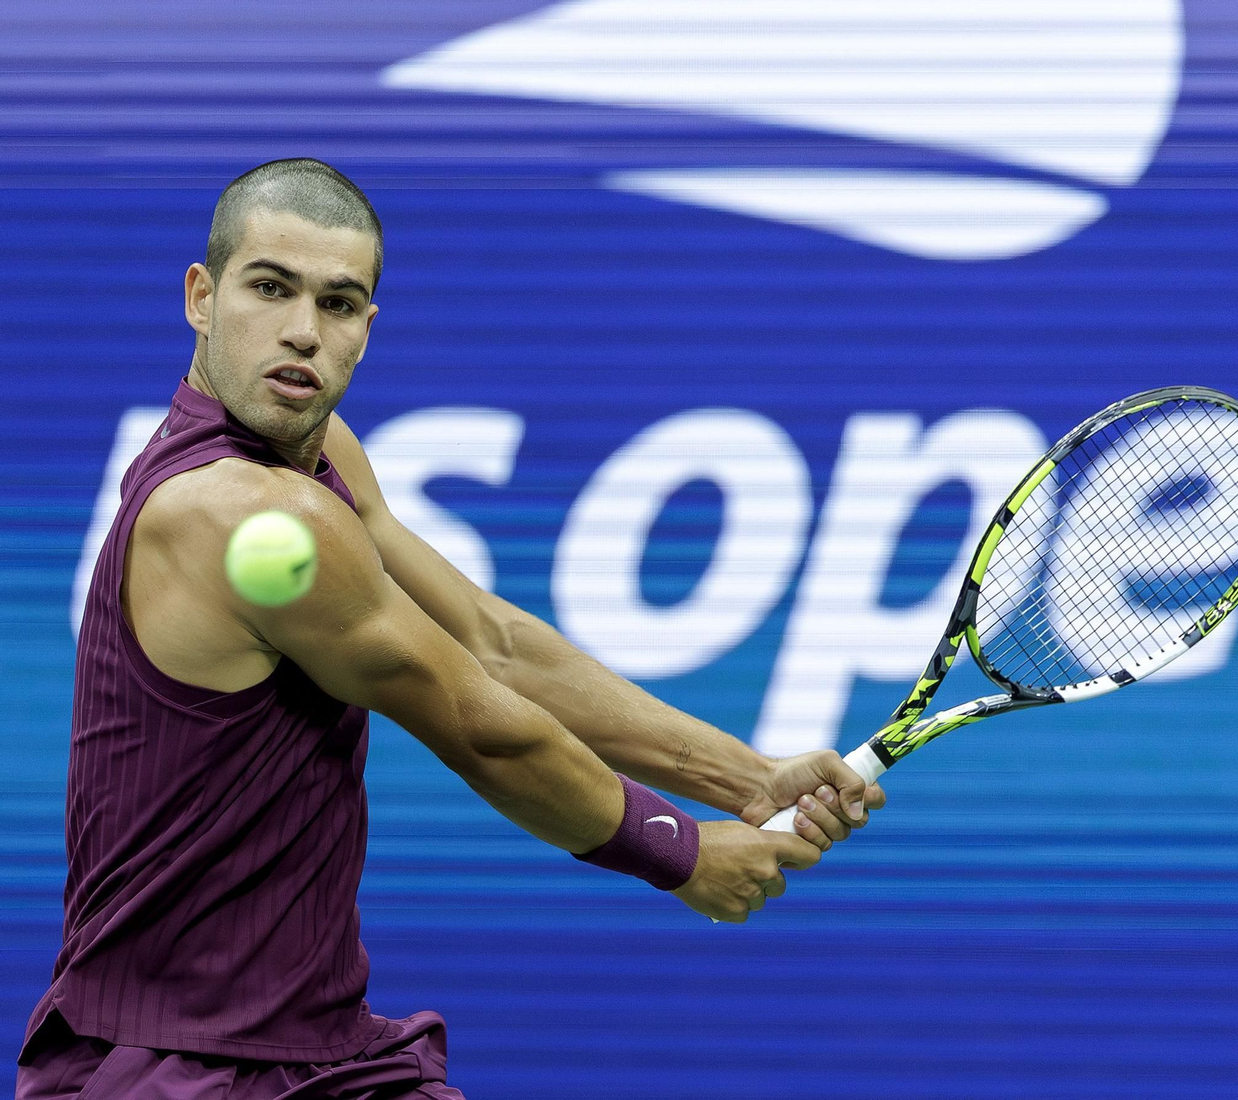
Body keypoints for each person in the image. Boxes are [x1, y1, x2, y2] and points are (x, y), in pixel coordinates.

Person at [16, 158, 885, 1099]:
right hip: (178, 1067)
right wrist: (684, 853)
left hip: (315, 1048)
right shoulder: (234, 512)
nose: (303, 331)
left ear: (367, 329)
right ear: (201, 295)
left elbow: (489, 640)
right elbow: (479, 723)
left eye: (338, 304)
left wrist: (745, 776)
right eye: (270, 288)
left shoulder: (323, 458)